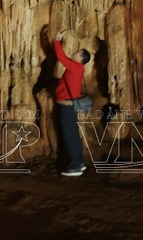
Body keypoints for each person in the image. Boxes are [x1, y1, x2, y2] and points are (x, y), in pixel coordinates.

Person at [53, 30, 91, 177]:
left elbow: (61, 57)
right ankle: (79, 163)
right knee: (73, 135)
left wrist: (57, 40)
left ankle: (75, 166)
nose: (74, 52)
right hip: (69, 106)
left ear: (81, 58)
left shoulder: (75, 67)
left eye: (77, 52)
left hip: (66, 107)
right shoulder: (78, 68)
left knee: (69, 136)